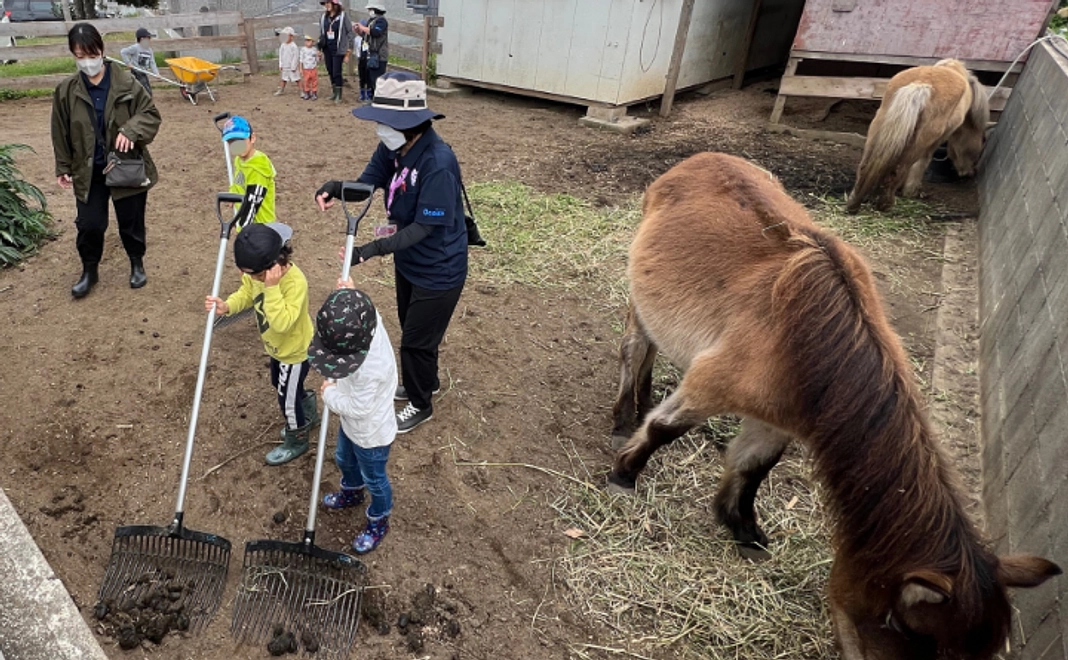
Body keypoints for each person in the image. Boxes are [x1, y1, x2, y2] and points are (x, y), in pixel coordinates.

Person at [315, 72, 466, 434]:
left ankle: (420, 403)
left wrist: (368, 251)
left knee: (416, 341)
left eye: (386, 122)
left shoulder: (438, 163)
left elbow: (422, 228)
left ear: (411, 122)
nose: (380, 129)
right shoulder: (393, 147)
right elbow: (367, 184)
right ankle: (422, 382)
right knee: (415, 333)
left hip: (439, 268)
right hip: (409, 262)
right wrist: (336, 188)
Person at [51, 22, 161, 299]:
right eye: (79, 56)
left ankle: (136, 263)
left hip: (126, 166)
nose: (87, 61)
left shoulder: (127, 83)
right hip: (88, 170)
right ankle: (89, 270)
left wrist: (131, 130)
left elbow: (150, 114)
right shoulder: (66, 91)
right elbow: (60, 130)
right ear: (73, 55)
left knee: (131, 220)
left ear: (101, 50)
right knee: (90, 224)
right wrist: (63, 167)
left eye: (91, 53)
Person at [205, 223, 318, 466]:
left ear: (276, 264)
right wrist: (228, 306)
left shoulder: (294, 283)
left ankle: (297, 437)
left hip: (294, 352)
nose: (252, 279)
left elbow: (282, 323)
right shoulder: (258, 276)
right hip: (277, 349)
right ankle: (308, 411)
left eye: (256, 275)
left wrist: (272, 288)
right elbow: (246, 293)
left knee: (286, 400)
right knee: (279, 383)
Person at [309, 282, 397, 553]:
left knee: (375, 478)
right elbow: (372, 313)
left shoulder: (372, 369)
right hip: (352, 425)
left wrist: (329, 394)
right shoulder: (367, 323)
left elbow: (359, 408)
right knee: (344, 458)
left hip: (371, 433)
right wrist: (349, 295)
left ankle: (379, 518)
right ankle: (352, 491)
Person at [223, 115, 277, 227]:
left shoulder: (257, 170)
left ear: (252, 138)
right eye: (232, 142)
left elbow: (252, 204)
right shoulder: (239, 160)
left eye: (241, 140)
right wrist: (233, 193)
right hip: (245, 219)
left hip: (260, 227)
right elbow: (239, 181)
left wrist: (243, 228)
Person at [318, 0, 353, 104]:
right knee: (330, 70)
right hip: (327, 48)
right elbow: (321, 34)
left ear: (335, 4)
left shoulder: (343, 16)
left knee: (336, 71)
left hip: (338, 49)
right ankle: (334, 92)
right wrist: (318, 48)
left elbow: (350, 33)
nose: (326, 5)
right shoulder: (324, 17)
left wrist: (348, 50)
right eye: (325, 3)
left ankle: (339, 94)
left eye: (328, 3)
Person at [355, 2, 388, 102]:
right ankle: (371, 97)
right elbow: (368, 36)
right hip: (370, 53)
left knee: (377, 78)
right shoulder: (371, 21)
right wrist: (359, 31)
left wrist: (362, 28)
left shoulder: (381, 21)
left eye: (370, 9)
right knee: (369, 76)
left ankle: (378, 99)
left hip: (378, 54)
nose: (369, 11)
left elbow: (376, 33)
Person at [120, 27, 158, 96]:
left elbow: (152, 63)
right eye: (148, 38)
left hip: (143, 73)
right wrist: (128, 63)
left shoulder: (149, 50)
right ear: (142, 39)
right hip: (136, 72)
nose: (150, 40)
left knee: (146, 90)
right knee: (146, 92)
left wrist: (156, 73)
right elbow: (123, 52)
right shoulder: (135, 48)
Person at [276, 26, 299, 96]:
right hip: (285, 66)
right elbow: (281, 55)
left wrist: (294, 66)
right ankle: (281, 89)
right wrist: (281, 64)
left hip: (292, 66)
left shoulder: (294, 46)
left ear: (291, 37)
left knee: (297, 79)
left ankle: (302, 91)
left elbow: (296, 57)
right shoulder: (283, 45)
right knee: (283, 79)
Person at [299, 34, 321, 101]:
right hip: (306, 68)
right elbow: (301, 60)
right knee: (306, 81)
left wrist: (319, 56)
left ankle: (314, 92)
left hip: (313, 68)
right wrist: (300, 68)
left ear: (313, 42)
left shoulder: (314, 50)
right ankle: (307, 92)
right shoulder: (303, 50)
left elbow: (317, 60)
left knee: (314, 80)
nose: (307, 42)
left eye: (309, 41)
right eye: (306, 40)